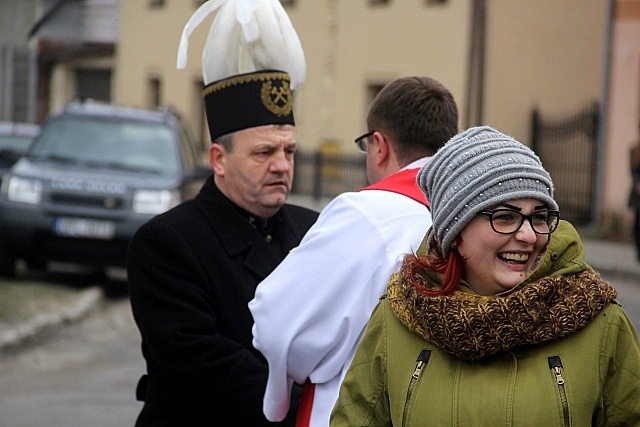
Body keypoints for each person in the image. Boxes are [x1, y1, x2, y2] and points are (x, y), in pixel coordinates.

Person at [330, 125, 640, 426]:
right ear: (456, 230)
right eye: (505, 217)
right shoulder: (399, 316)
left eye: (539, 217)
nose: (529, 236)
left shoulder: (599, 321)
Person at [127, 1, 318, 425]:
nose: (282, 165)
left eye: (289, 151)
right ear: (218, 159)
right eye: (264, 152)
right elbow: (200, 364)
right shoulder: (168, 243)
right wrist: (310, 404)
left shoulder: (314, 230)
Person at [249, 76, 459, 426]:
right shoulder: (482, 219)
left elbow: (277, 325)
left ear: (380, 146)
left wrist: (282, 390)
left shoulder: (369, 214)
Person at [628, 132, 640, 261]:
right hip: (637, 194)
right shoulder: (634, 151)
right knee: (637, 223)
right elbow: (633, 171)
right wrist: (637, 184)